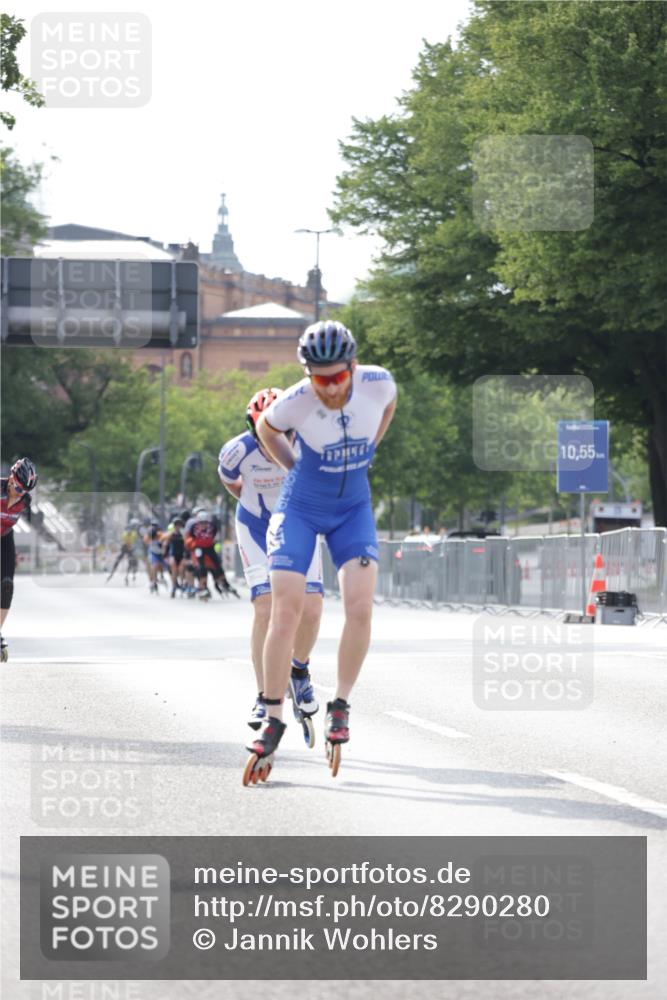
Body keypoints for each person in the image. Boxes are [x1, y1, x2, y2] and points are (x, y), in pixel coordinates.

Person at [244, 320, 397, 781]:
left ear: (353, 366)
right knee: (284, 612)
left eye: (337, 378)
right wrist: (291, 468)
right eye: (319, 379)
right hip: (301, 508)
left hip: (353, 508)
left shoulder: (379, 383)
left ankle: (341, 704)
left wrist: (369, 450)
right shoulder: (297, 399)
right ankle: (272, 717)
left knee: (360, 607)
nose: (329, 389)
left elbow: (388, 406)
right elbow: (267, 430)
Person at [218, 388, 324, 732]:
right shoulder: (236, 452)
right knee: (265, 607)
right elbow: (232, 484)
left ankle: (299, 670)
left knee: (310, 608)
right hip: (256, 526)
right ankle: (265, 697)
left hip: (299, 524)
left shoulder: (311, 445)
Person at [1, 458, 38, 661]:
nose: (18, 492)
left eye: (24, 490)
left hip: (5, 539)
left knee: (7, 586)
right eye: (17, 486)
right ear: (11, 478)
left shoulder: (25, 502)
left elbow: (36, 523)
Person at [183, 509, 238, 599]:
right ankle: (203, 587)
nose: (203, 525)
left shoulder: (212, 527)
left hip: (209, 547)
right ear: (197, 522)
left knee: (217, 565)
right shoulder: (193, 527)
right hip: (199, 547)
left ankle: (225, 584)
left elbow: (214, 536)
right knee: (201, 567)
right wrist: (191, 546)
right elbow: (188, 539)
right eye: (201, 523)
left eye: (205, 523)